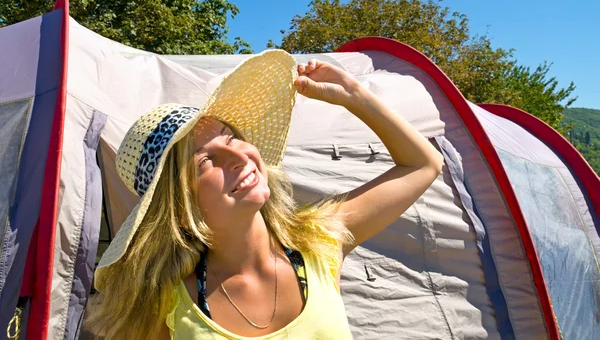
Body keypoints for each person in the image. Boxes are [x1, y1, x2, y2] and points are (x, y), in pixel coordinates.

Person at [85, 50, 443, 339]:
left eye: (231, 137)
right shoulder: (163, 302)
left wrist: (355, 96)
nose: (240, 156)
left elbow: (423, 165)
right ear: (179, 205)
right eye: (206, 161)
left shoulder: (319, 242)